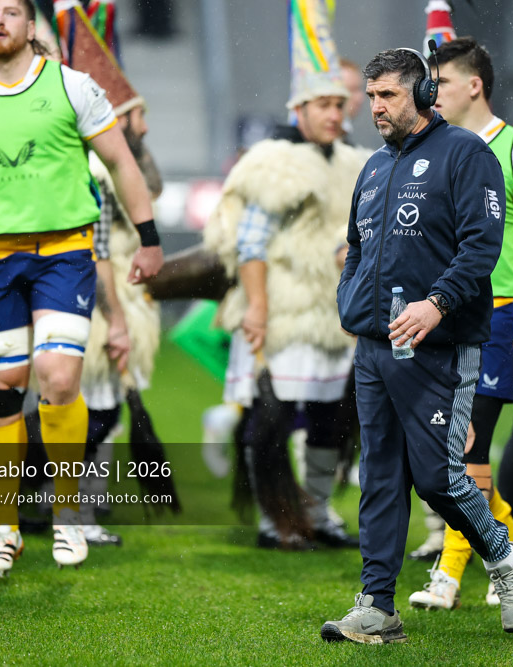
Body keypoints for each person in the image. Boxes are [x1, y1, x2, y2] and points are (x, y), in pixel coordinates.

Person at [0, 0, 163, 580]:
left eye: (10, 12)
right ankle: (6, 529)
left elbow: (120, 162)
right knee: (2, 391)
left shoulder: (74, 88)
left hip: (64, 254)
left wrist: (148, 239)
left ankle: (68, 512)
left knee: (59, 375)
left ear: (29, 26)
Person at [322, 47, 513, 645]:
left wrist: (435, 304)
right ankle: (376, 605)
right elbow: (357, 247)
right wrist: (352, 301)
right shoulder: (373, 168)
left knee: (439, 477)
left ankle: (505, 556)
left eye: (387, 95)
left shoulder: (467, 155)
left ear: (422, 95)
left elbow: (481, 247)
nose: (375, 108)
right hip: (374, 348)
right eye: (370, 97)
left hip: (441, 345)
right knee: (381, 476)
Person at [204, 0, 367, 551]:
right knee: (270, 417)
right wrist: (256, 308)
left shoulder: (356, 162)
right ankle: (277, 518)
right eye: (322, 103)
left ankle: (317, 512)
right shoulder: (271, 161)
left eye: (339, 104)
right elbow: (248, 241)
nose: (333, 113)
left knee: (332, 419)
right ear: (299, 107)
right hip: (280, 312)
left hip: (336, 315)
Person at [404, 36, 513, 612]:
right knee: (440, 448)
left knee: (465, 447)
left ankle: (451, 574)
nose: (430, 93)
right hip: (437, 314)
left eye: (439, 83)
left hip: (498, 315)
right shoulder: (430, 148)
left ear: (475, 85)